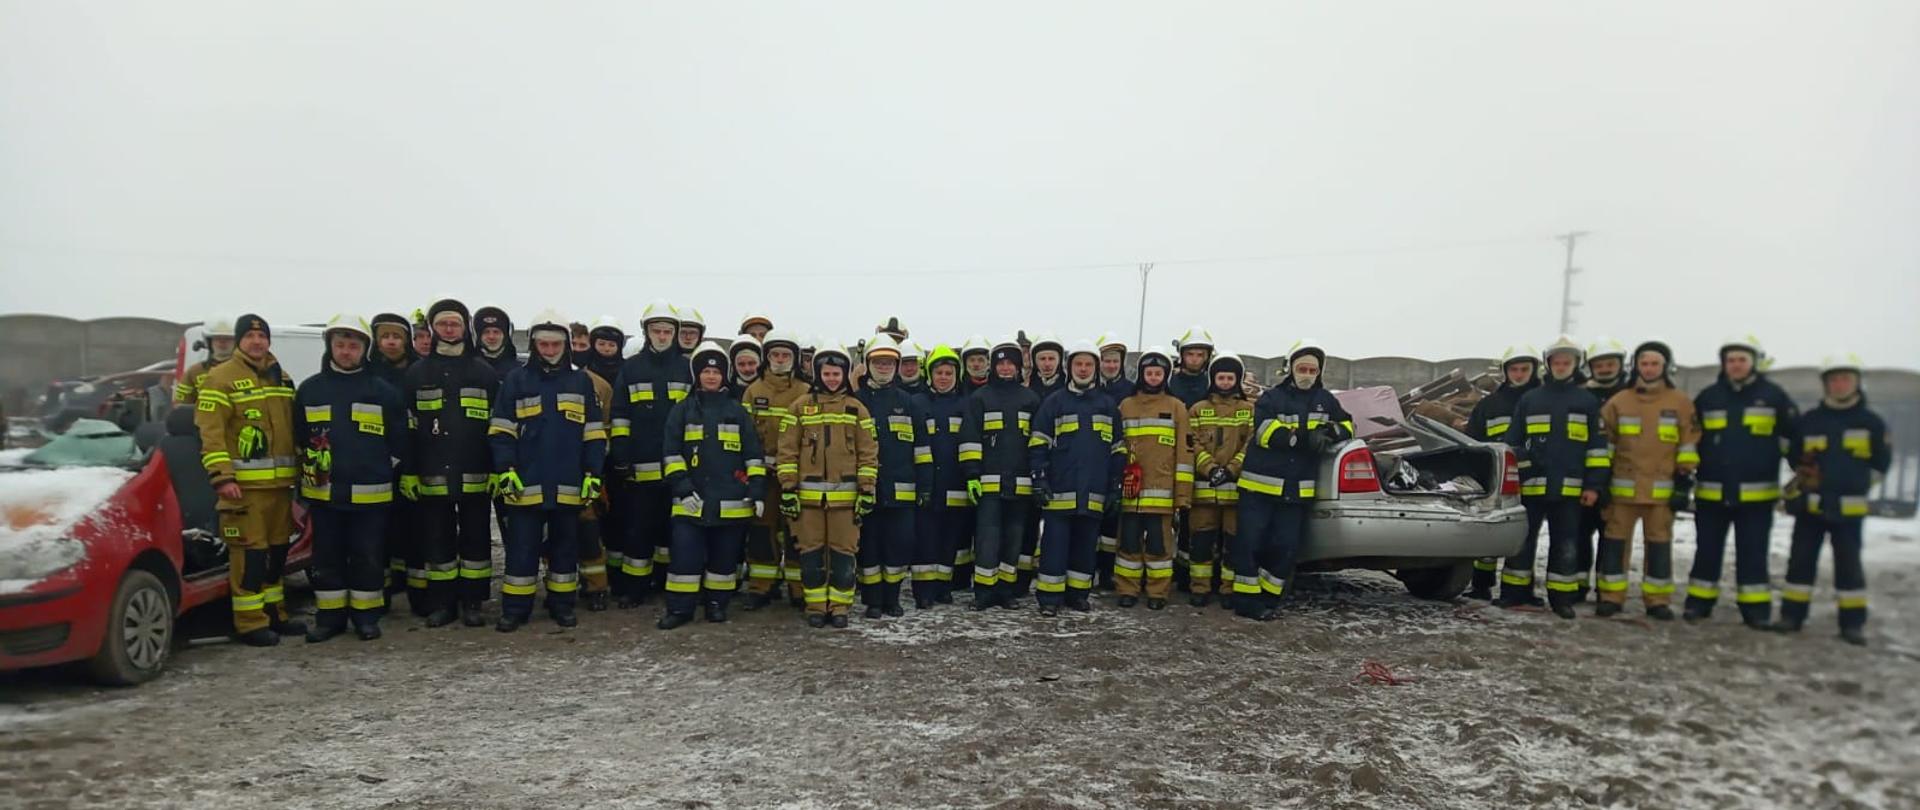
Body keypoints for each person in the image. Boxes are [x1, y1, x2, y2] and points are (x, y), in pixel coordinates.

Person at [292, 314, 409, 642]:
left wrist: (380, 468)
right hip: (325, 494)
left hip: (371, 496)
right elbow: (300, 436)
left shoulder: (382, 392)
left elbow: (400, 440)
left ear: (364, 349)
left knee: (368, 557)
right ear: (329, 346)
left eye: (353, 346)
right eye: (340, 345)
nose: (346, 352)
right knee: (326, 557)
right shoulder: (311, 390)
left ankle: (366, 617)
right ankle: (329, 619)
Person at [487, 311, 605, 632]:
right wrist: (505, 469)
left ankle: (562, 605)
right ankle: (515, 609)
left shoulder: (580, 381)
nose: (550, 350)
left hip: (568, 483)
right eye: (544, 344)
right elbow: (501, 429)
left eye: (555, 344)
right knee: (521, 551)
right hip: (526, 483)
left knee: (564, 550)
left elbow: (593, 433)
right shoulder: (516, 380)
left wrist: (593, 473)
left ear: (565, 346)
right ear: (534, 344)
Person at [194, 314, 304, 645]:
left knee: (278, 554)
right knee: (251, 557)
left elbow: (292, 429)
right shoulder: (220, 378)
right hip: (243, 490)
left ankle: (275, 613)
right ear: (239, 341)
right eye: (250, 336)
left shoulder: (280, 377)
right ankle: (250, 622)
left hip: (280, 488)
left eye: (262, 336)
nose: (257, 342)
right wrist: (222, 477)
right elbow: (210, 434)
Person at [398, 299, 501, 627]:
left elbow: (498, 427)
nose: (449, 330)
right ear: (432, 328)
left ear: (465, 328)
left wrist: (498, 468)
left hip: (476, 472)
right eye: (442, 324)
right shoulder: (418, 373)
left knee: (476, 539)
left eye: (454, 324)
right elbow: (409, 427)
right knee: (437, 539)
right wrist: (410, 471)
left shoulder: (483, 372)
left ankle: (473, 602)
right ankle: (442, 603)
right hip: (431, 473)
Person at [1233, 342, 1353, 621]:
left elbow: (1349, 425)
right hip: (1259, 487)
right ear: (1290, 369)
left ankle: (1270, 599)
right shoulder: (1271, 398)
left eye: (1312, 369)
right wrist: (1301, 438)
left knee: (1285, 548)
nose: (1307, 374)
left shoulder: (1326, 400)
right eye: (1302, 368)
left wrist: (1332, 431)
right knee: (1250, 544)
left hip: (1296, 491)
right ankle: (1246, 601)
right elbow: (1264, 432)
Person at [1775, 355, 1890, 645]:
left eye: (1845, 379)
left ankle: (1852, 624)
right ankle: (1792, 616)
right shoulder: (1810, 421)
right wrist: (1803, 479)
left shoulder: (1871, 423)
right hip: (1810, 508)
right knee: (1800, 563)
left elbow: (1880, 465)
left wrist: (1856, 487)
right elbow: (1794, 457)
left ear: (1856, 383)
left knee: (1849, 567)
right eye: (1833, 380)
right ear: (1825, 384)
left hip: (1848, 512)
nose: (1839, 385)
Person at [1685, 336, 1797, 627]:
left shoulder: (1774, 397)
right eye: (1730, 360)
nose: (1736, 365)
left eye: (1741, 360)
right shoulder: (1708, 398)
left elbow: (1793, 441)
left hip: (1756, 498)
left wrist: (1801, 475)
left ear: (1753, 363)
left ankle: (1755, 609)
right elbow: (1691, 439)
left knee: (1753, 553)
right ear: (1724, 364)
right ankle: (1699, 603)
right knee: (1707, 551)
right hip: (1712, 493)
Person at [656, 342, 767, 628]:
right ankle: (680, 610)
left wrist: (755, 490)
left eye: (716, 372)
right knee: (684, 560)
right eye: (705, 371)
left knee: (724, 560)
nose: (711, 376)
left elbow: (753, 455)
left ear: (724, 376)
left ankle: (717, 605)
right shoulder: (682, 411)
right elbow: (671, 453)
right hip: (690, 500)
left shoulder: (737, 411)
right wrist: (681, 488)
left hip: (731, 503)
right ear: (697, 375)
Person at [1499, 337, 1608, 619]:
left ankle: (1562, 598)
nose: (1561, 366)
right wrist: (1525, 464)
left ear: (1574, 365)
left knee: (1566, 544)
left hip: (1570, 491)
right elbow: (1512, 443)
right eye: (1557, 362)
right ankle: (1514, 593)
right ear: (1548, 365)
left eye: (1566, 362)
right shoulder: (1530, 399)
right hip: (1532, 488)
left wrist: (1594, 485)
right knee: (1522, 542)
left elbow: (1597, 449)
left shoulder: (1587, 401)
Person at [1596, 340, 1700, 621]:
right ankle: (1610, 597)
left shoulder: (1680, 403)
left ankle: (1657, 600)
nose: (1649, 368)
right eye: (1644, 363)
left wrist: (1683, 483)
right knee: (1615, 545)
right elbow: (1605, 445)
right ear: (1636, 366)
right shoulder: (1619, 402)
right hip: (1622, 492)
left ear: (1665, 367)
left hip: (1661, 493)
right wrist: (1601, 482)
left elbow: (1688, 444)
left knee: (1659, 547)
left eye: (1655, 363)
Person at [776, 344, 878, 628]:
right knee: (811, 555)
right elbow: (787, 451)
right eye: (827, 373)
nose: (832, 378)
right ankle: (816, 606)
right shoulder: (799, 407)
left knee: (843, 555)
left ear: (845, 375)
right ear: (818, 373)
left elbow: (868, 453)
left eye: (837, 373)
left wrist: (867, 490)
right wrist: (787, 488)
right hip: (808, 501)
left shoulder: (857, 409)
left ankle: (840, 607)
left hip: (845, 501)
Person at [1029, 341, 1126, 616]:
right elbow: (1038, 444)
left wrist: (1115, 486)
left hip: (1094, 493)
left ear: (1095, 369)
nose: (1083, 369)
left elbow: (1118, 449)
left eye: (1088, 365)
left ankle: (1078, 595)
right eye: (1078, 364)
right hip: (1059, 492)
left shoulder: (1107, 406)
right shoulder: (1054, 403)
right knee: (1054, 548)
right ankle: (1049, 598)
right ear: (1069, 368)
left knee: (1086, 548)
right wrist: (1039, 479)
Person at [608, 301, 689, 606]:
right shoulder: (631, 369)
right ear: (646, 332)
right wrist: (620, 454)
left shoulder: (686, 369)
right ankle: (635, 588)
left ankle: (665, 582)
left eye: (668, 330)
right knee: (638, 530)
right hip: (639, 467)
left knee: (672, 531)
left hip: (677, 469)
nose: (663, 335)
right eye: (657, 330)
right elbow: (619, 415)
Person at [853, 335, 932, 618]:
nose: (884, 367)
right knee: (870, 547)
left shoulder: (909, 404)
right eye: (879, 362)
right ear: (868, 365)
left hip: (903, 493)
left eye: (889, 362)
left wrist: (925, 486)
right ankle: (873, 601)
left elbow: (922, 450)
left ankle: (892, 599)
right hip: (868, 491)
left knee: (898, 546)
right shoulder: (856, 403)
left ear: (896, 366)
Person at [1112, 346, 1194, 609]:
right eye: (1150, 373)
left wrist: (1182, 494)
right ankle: (1127, 589)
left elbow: (1185, 453)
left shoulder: (1176, 407)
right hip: (1130, 491)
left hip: (1162, 493)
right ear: (1142, 375)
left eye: (1159, 373)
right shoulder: (1126, 405)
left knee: (1159, 547)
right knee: (1128, 545)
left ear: (1165, 376)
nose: (1154, 377)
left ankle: (1158, 592)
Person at [963, 338, 1041, 610]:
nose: (1006, 368)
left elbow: (1037, 442)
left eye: (1011, 363)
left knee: (1013, 540)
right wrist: (972, 474)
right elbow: (970, 439)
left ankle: (1006, 591)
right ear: (993, 367)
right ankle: (984, 592)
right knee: (987, 540)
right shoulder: (980, 398)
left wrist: (1037, 476)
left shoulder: (1030, 399)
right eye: (1001, 363)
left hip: (1020, 486)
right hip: (988, 486)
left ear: (1018, 367)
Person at [1462, 346, 1540, 600]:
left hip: (1530, 481)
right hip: (1494, 480)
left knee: (1523, 538)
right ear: (1505, 371)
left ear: (1534, 370)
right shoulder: (1489, 405)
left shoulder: (1540, 401)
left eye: (1524, 369)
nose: (1519, 374)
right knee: (1488, 533)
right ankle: (1481, 585)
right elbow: (1473, 442)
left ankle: (1515, 590)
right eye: (1514, 369)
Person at [741, 331, 809, 609]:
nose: (780, 360)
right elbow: (745, 434)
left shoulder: (805, 392)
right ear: (766, 358)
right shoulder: (753, 391)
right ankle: (761, 586)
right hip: (763, 476)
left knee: (797, 531)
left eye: (786, 355)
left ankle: (798, 587)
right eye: (775, 355)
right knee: (761, 530)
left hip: (796, 476)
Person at [1187, 352, 1253, 608]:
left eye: (1230, 378)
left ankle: (1228, 589)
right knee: (1201, 543)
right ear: (1213, 379)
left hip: (1235, 493)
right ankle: (1199, 588)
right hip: (1204, 491)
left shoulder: (1248, 410)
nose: (1225, 382)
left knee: (1233, 544)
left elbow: (1251, 445)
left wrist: (1232, 469)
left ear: (1237, 380)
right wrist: (1210, 468)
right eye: (1221, 377)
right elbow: (1192, 444)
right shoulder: (1198, 409)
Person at [1571, 335, 1632, 600]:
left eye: (1610, 364)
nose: (1605, 369)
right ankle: (1579, 585)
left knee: (1613, 539)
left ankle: (1608, 593)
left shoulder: (1632, 396)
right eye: (1600, 365)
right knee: (1580, 535)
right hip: (1584, 478)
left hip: (1621, 478)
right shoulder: (1581, 396)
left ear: (1620, 364)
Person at [913, 345, 974, 607]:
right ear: (930, 374)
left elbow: (970, 442)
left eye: (949, 372)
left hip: (955, 482)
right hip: (926, 484)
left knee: (950, 540)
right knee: (925, 540)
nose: (944, 377)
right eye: (939, 372)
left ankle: (942, 587)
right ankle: (923, 591)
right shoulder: (917, 403)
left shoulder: (966, 405)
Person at [367, 312, 415, 594]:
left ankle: (407, 577)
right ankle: (383, 584)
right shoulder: (369, 372)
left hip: (414, 456)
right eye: (385, 337)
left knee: (409, 524)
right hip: (378, 458)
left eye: (397, 337)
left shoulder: (419, 370)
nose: (391, 342)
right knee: (380, 528)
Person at [1093, 333, 1135, 585]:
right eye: (1106, 361)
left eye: (1115, 362)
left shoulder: (1130, 391)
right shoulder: (1089, 389)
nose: (1110, 366)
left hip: (1119, 460)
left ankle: (1107, 572)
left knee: (1112, 523)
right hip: (1093, 460)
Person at [175, 315, 235, 407]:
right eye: (217, 338)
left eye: (227, 339)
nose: (222, 342)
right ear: (208, 341)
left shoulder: (247, 370)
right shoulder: (195, 372)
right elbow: (181, 406)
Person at [1170, 326, 1216, 408]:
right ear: (1182, 355)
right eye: (1190, 354)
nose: (1194, 359)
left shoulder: (1214, 384)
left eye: (1200, 355)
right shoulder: (1168, 382)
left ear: (1207, 357)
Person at [474, 306, 519, 376]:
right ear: (478, 337)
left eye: (496, 332)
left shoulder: (520, 372)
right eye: (486, 332)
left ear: (506, 336)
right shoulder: (466, 368)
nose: (491, 337)